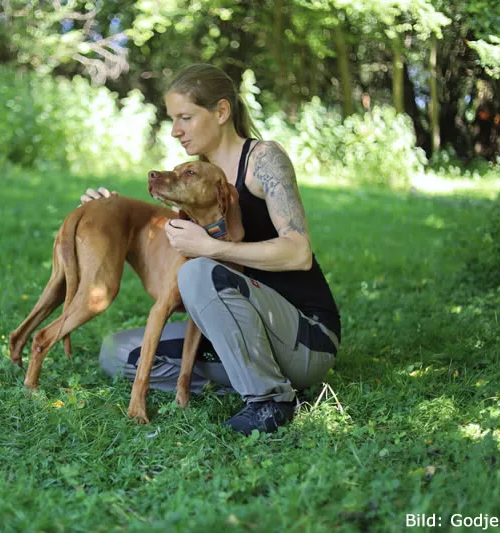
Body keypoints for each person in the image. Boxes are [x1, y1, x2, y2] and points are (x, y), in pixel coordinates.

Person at [80, 63, 341, 434]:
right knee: (117, 352)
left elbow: (298, 253)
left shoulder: (262, 160)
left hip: (305, 337)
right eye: (173, 119)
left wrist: (211, 248)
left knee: (199, 270)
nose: (175, 131)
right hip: (240, 329)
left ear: (220, 112)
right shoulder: (197, 177)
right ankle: (242, 374)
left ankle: (271, 400)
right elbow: (157, 221)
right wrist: (104, 209)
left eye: (185, 117)